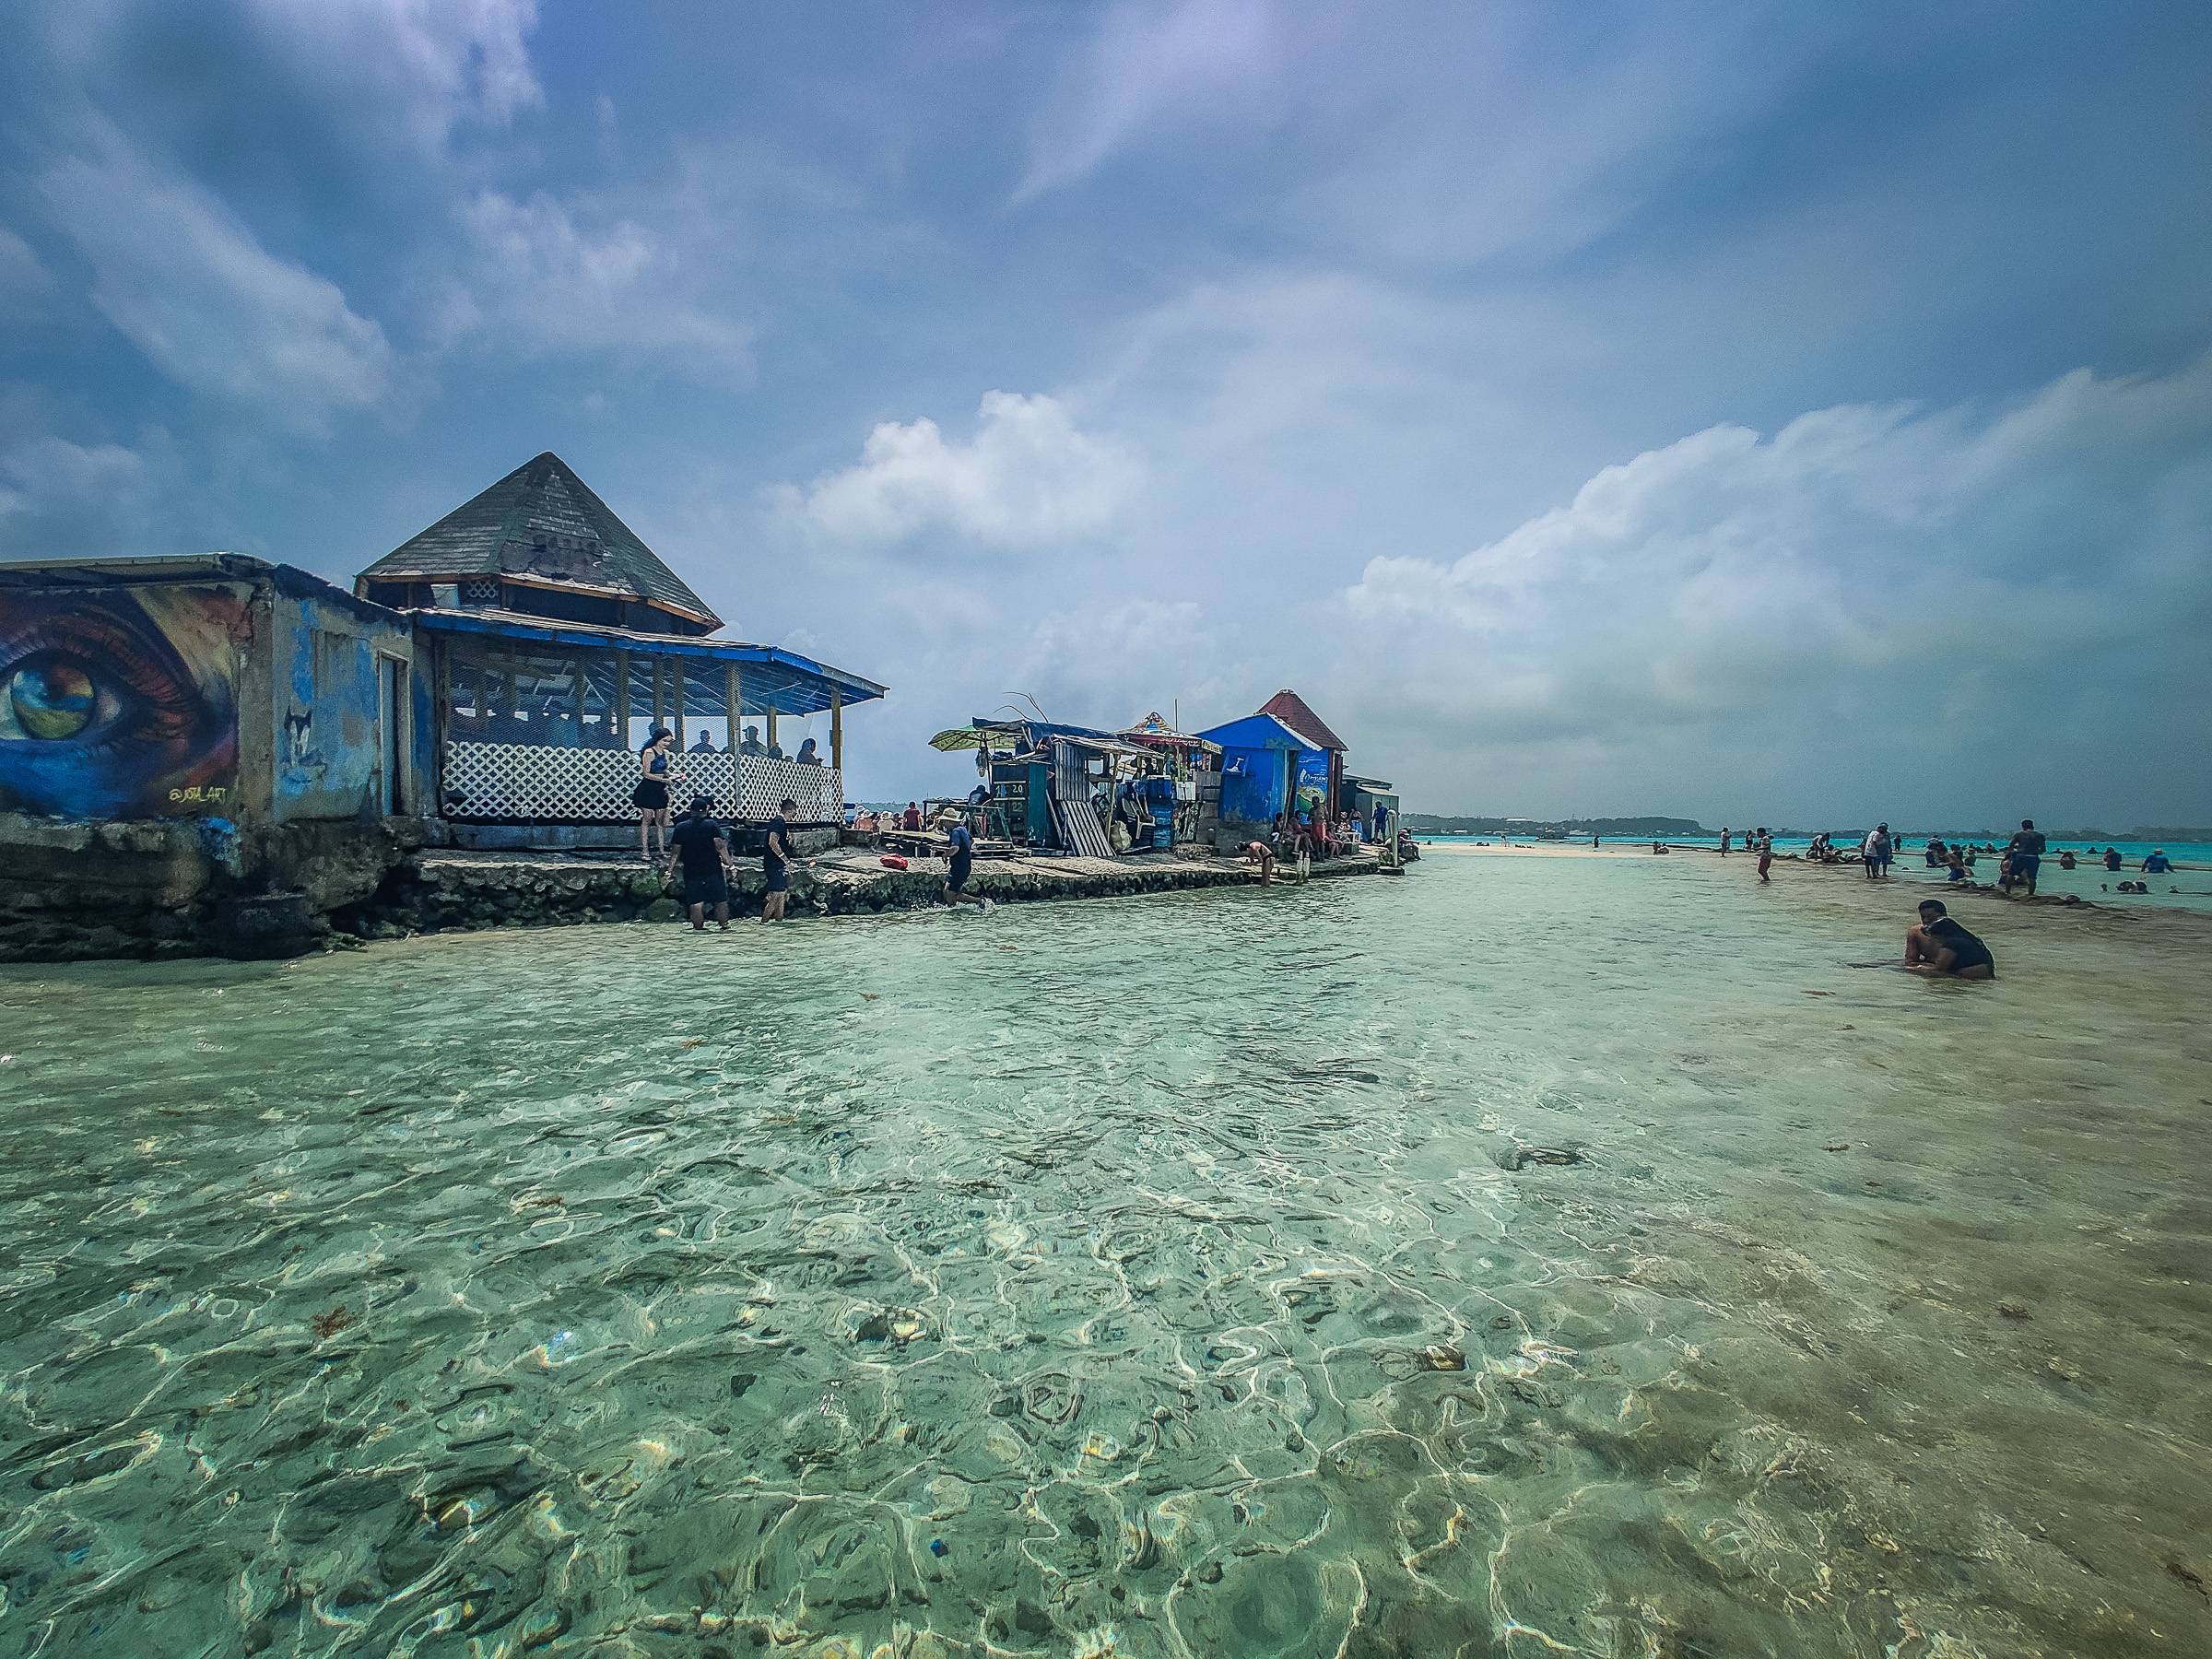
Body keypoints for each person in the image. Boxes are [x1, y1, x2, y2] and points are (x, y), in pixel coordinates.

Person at [664, 795, 735, 930]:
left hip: (691, 869)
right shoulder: (711, 825)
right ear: (706, 811)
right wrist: (730, 865)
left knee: (696, 902)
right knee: (720, 900)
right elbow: (720, 847)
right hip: (712, 868)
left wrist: (670, 870)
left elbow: (675, 852)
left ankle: (698, 929)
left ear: (691, 810)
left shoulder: (681, 827)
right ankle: (724, 926)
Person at [1903, 899, 1994, 980]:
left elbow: (1938, 970)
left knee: (1907, 969)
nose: (1926, 920)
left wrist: (1915, 968)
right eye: (1923, 917)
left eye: (1931, 917)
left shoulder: (1952, 942)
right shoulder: (1957, 933)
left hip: (1969, 974)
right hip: (1958, 970)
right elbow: (1911, 960)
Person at [631, 728, 677, 862]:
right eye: (664, 741)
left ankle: (661, 849)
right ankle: (645, 850)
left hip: (660, 789)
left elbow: (664, 769)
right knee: (647, 818)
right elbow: (646, 773)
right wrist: (663, 779)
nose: (666, 744)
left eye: (669, 741)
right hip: (648, 788)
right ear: (658, 740)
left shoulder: (667, 754)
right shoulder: (649, 752)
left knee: (660, 821)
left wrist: (672, 775)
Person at [760, 796, 802, 922]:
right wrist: (787, 861)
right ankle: (763, 923)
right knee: (776, 895)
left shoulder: (781, 823)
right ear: (789, 811)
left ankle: (779, 922)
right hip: (773, 864)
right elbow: (773, 842)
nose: (794, 816)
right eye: (794, 813)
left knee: (782, 894)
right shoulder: (778, 822)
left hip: (777, 864)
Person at [942, 813, 991, 911]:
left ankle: (979, 901)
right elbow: (971, 841)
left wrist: (945, 854)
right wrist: (965, 850)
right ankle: (954, 910)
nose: (943, 824)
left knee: (950, 894)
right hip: (964, 865)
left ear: (949, 821)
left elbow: (955, 848)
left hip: (959, 867)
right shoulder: (963, 829)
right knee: (947, 891)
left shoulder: (955, 832)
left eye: (944, 821)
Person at [2003, 818, 2046, 897]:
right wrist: (2035, 852)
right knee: (2032, 877)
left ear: (2023, 827)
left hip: (2020, 856)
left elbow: (2011, 845)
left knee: (2011, 874)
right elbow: (2043, 849)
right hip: (2033, 857)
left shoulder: (2019, 834)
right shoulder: (2040, 836)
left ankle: (2007, 892)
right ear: (2033, 826)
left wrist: (2011, 853)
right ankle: (2030, 894)